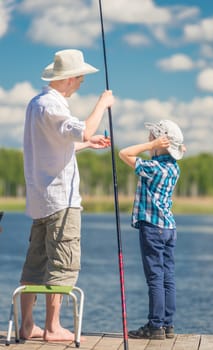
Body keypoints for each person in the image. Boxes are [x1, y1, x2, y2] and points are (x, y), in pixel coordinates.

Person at [20, 49, 114, 342]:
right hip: (62, 200)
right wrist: (103, 103)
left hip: (40, 200)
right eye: (82, 79)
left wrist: (89, 144)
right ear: (71, 79)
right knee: (62, 263)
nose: (83, 83)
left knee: (35, 264)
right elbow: (84, 129)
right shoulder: (55, 106)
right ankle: (53, 328)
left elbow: (59, 145)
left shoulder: (36, 104)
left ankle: (26, 325)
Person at [119, 119, 185, 340]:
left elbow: (124, 153)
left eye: (152, 137)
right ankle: (167, 325)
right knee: (168, 277)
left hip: (152, 228)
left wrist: (150, 146)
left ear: (160, 141)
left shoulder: (154, 168)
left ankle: (155, 326)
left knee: (155, 278)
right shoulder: (173, 167)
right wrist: (163, 147)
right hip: (169, 228)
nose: (148, 139)